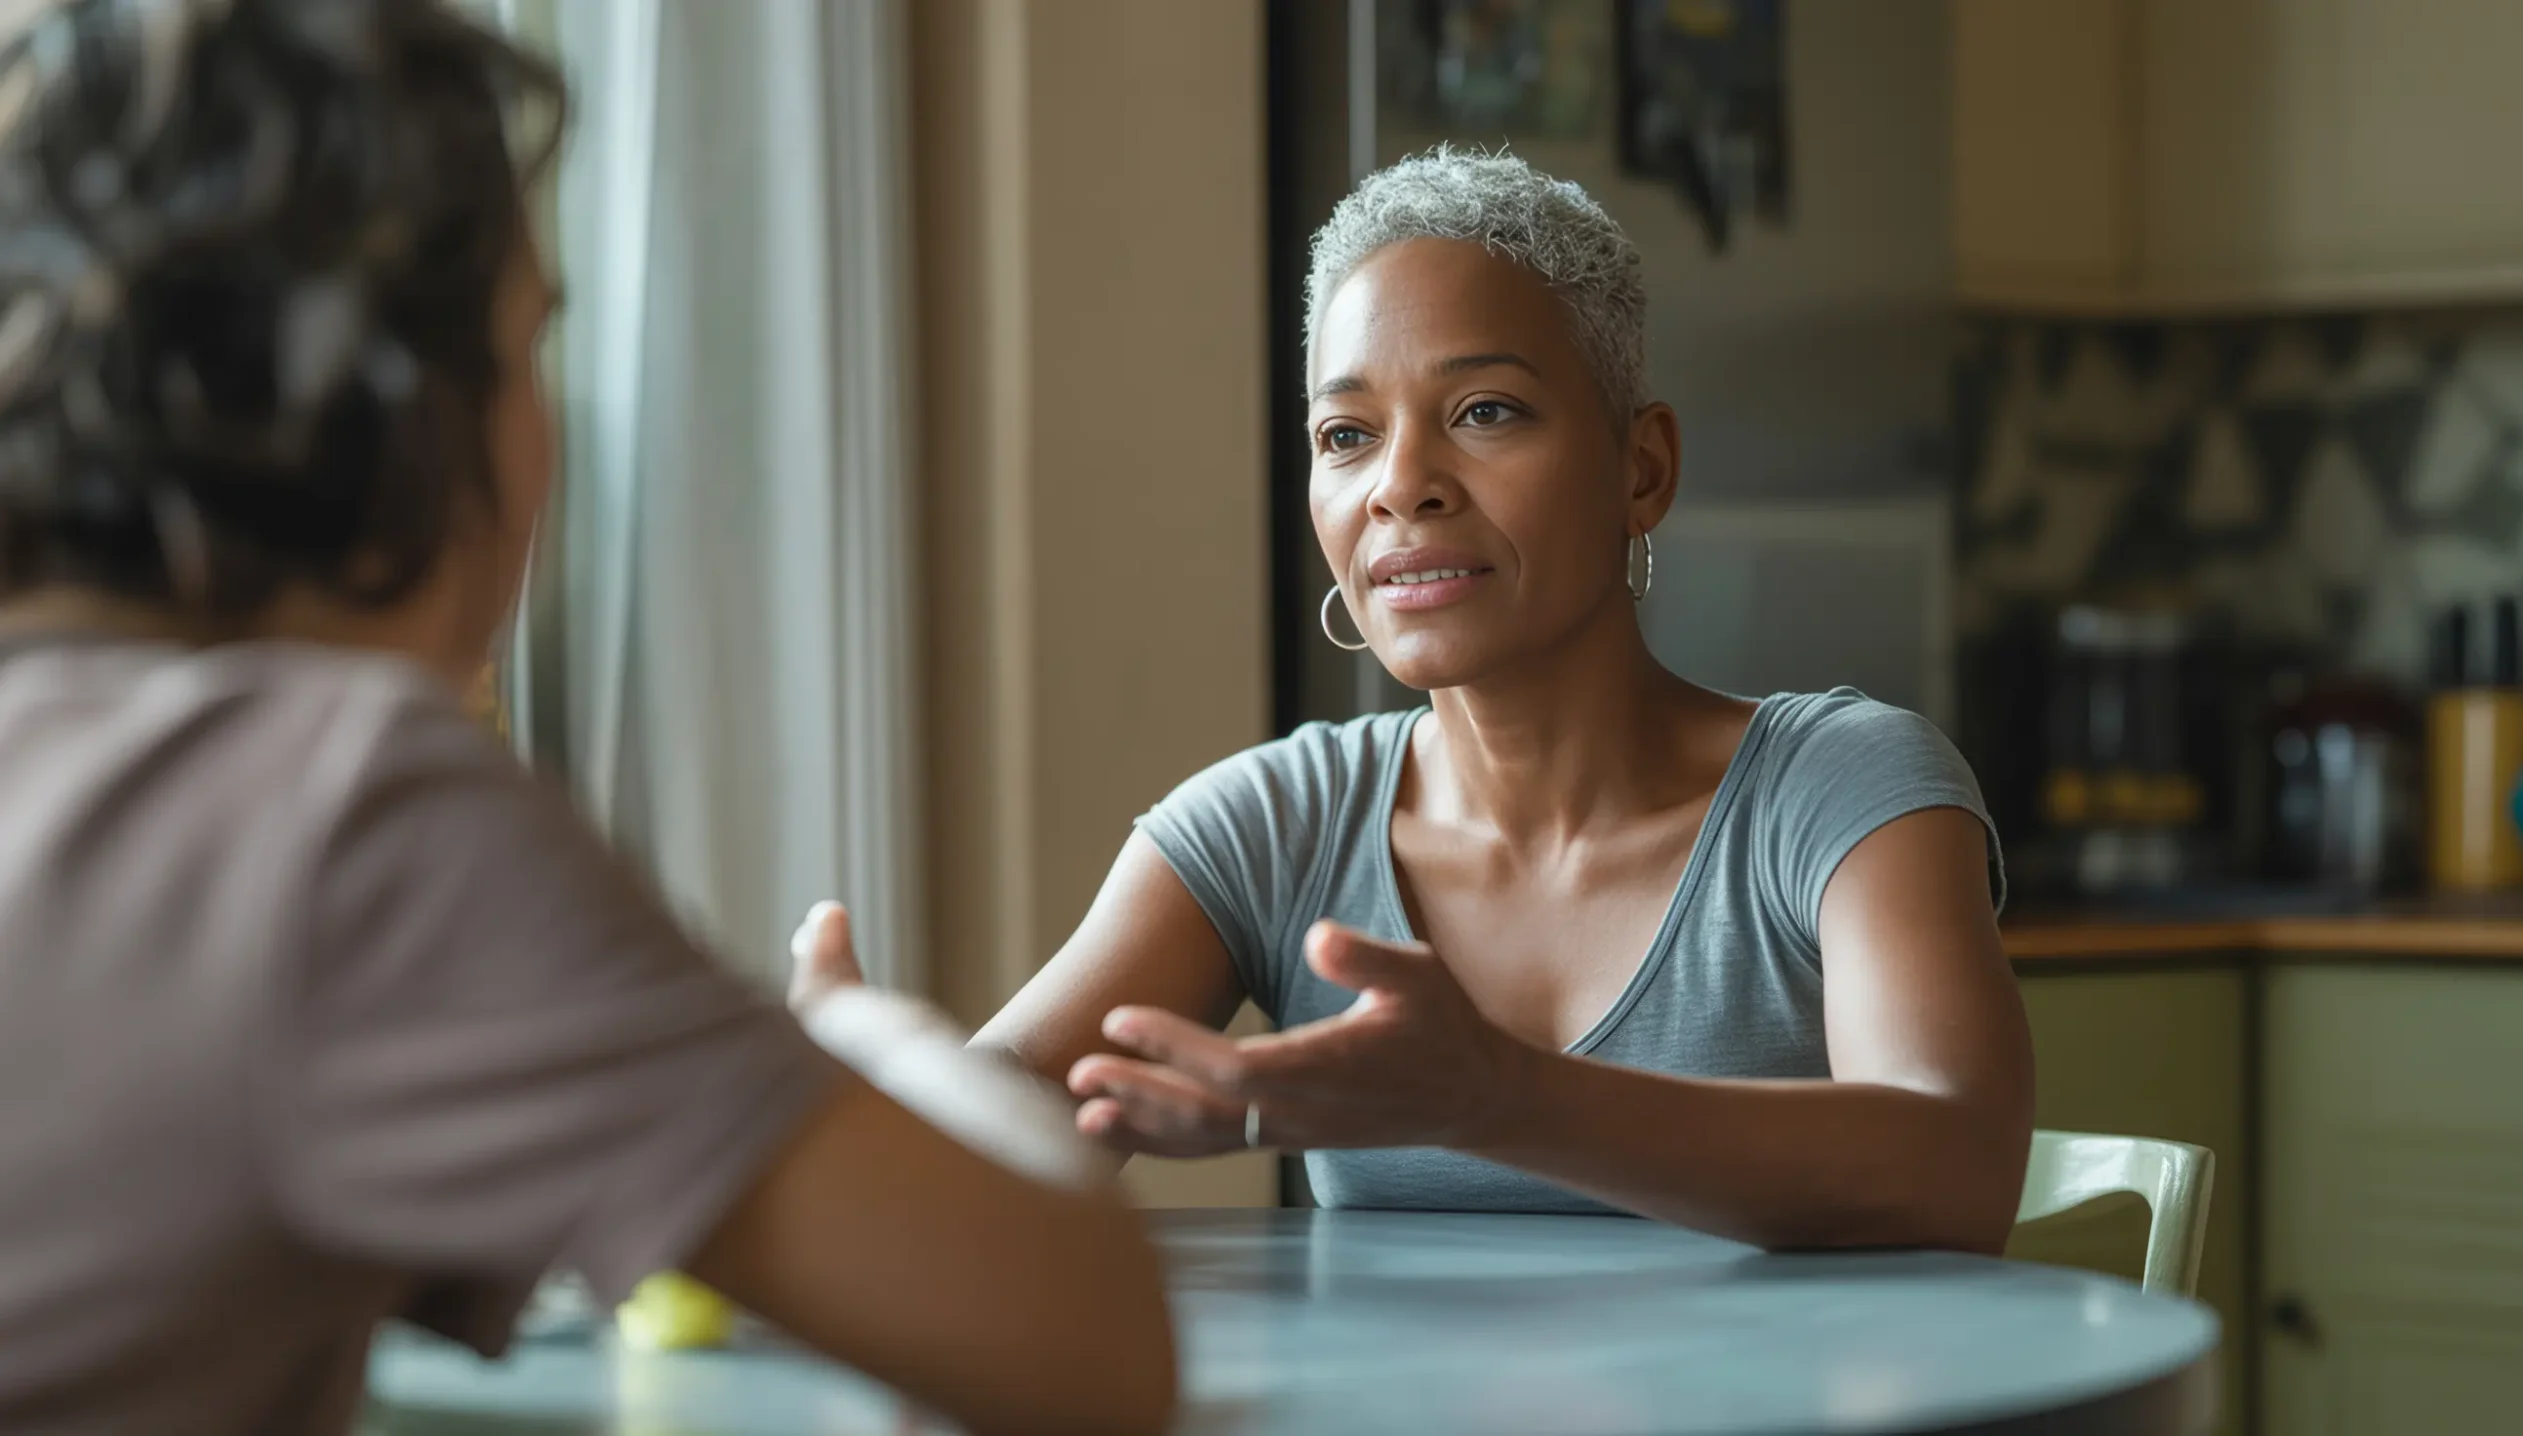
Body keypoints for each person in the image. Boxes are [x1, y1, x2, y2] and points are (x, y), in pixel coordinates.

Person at [0, 3, 1173, 1433]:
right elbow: (1083, 1341)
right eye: (528, 343)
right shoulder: (330, 816)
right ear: (406, 405)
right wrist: (860, 1043)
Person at [958, 146, 2035, 1252]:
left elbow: (1957, 1170)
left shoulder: (1844, 790)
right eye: (1347, 434)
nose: (1399, 484)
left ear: (1641, 470)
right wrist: (834, 1073)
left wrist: (1496, 1099)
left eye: (1484, 410)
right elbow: (984, 1132)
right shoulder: (1275, 825)